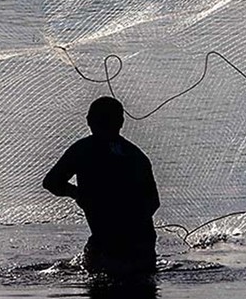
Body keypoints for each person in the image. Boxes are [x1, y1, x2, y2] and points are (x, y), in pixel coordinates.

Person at [42, 96, 160, 276]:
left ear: (89, 121)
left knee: (102, 290)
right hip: (142, 244)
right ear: (121, 122)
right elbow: (153, 201)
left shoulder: (83, 150)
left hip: (106, 244)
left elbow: (51, 182)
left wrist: (78, 194)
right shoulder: (136, 155)